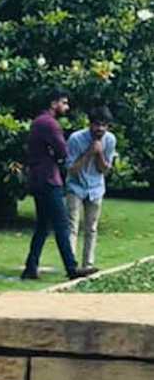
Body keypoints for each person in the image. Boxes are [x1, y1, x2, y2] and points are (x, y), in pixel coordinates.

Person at [21, 87, 95, 281]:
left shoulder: (38, 122)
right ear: (54, 103)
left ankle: (31, 267)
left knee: (43, 226)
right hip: (48, 178)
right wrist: (58, 156)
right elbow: (63, 152)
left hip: (37, 178)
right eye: (64, 102)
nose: (66, 107)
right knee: (62, 224)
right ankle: (71, 268)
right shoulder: (50, 124)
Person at [65, 105, 117, 271]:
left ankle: (88, 264)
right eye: (96, 124)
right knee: (72, 226)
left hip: (96, 188)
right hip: (76, 186)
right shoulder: (76, 139)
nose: (100, 129)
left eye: (104, 125)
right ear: (90, 124)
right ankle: (71, 266)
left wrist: (99, 153)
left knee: (91, 228)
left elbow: (104, 170)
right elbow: (72, 169)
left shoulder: (110, 140)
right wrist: (89, 152)